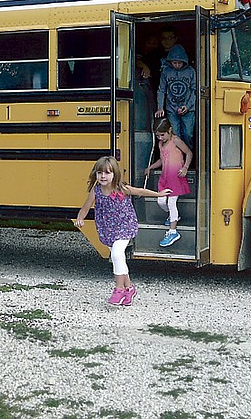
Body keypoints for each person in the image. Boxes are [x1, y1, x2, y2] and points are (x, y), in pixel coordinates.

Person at [74, 156, 171, 306]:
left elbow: (140, 191)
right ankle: (129, 288)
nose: (103, 176)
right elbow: (85, 207)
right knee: (118, 258)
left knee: (117, 254)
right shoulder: (96, 191)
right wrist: (80, 219)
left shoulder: (121, 189)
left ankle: (118, 289)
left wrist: (158, 194)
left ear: (115, 174)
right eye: (100, 173)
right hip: (107, 229)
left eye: (107, 173)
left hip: (124, 226)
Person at [145, 117, 193, 247]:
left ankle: (173, 231)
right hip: (165, 177)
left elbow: (189, 153)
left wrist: (185, 168)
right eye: (158, 135)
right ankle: (173, 217)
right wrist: (151, 167)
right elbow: (162, 160)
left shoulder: (176, 141)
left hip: (176, 177)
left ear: (170, 130)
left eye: (162, 134)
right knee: (160, 200)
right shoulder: (161, 144)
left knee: (171, 202)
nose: (160, 138)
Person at [155, 44, 196, 150]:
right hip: (171, 108)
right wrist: (160, 107)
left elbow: (194, 91)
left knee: (188, 134)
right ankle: (178, 158)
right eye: (174, 62)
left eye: (179, 62)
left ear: (184, 61)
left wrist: (188, 105)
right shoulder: (166, 72)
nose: (177, 65)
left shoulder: (191, 71)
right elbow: (161, 90)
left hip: (188, 109)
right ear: (170, 61)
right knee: (175, 134)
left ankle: (189, 157)